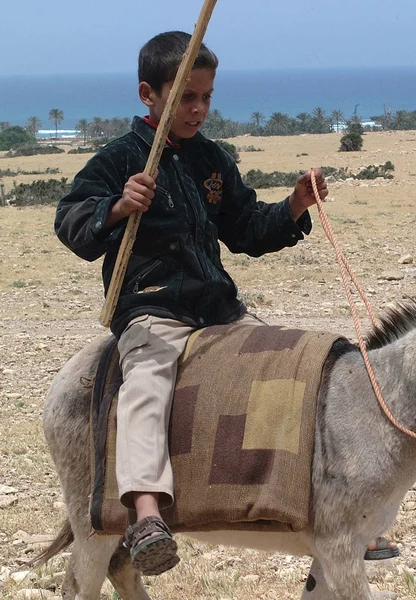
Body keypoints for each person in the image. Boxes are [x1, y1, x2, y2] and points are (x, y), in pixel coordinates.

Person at [54, 30, 395, 576]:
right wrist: (116, 208)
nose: (199, 108)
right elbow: (69, 222)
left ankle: (326, 513)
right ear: (149, 94)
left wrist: (293, 206)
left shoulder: (213, 159)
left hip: (218, 310)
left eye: (207, 96)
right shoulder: (117, 158)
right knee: (146, 384)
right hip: (152, 308)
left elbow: (245, 228)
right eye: (186, 96)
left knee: (289, 370)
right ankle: (145, 513)